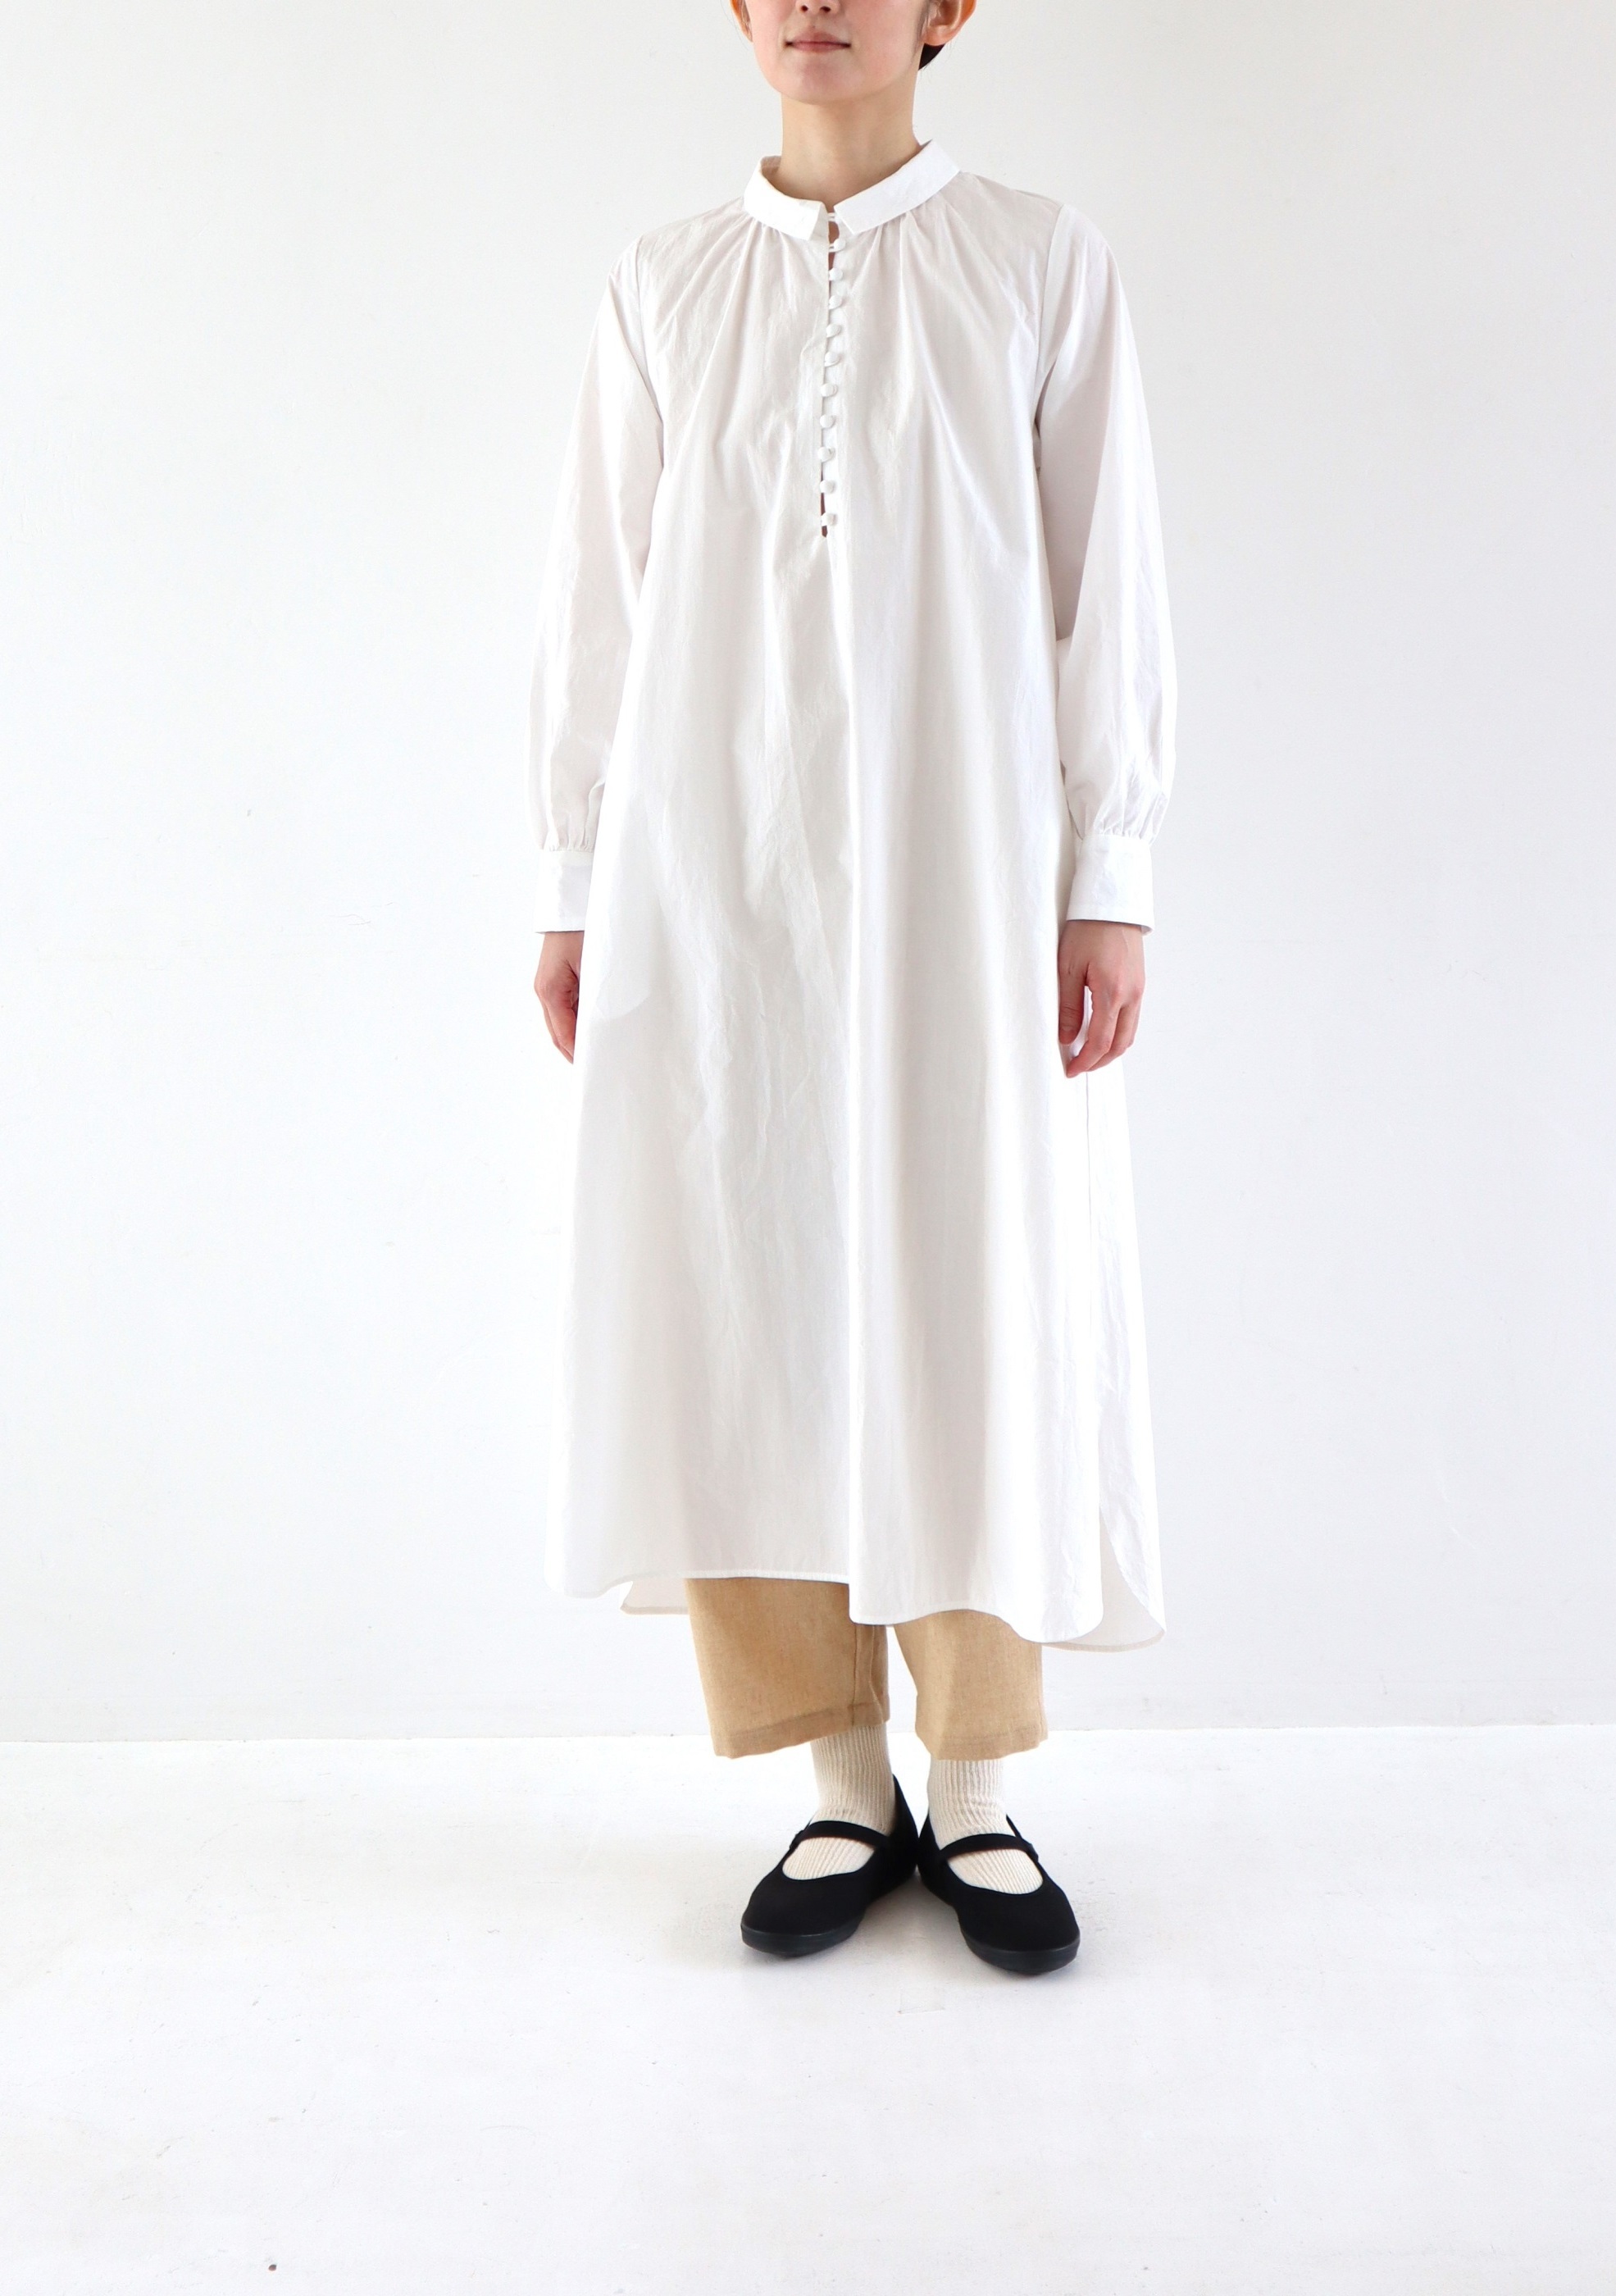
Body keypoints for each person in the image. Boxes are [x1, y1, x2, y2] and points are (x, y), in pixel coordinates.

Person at [526, 0, 1176, 1977]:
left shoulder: (1036, 260)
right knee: (744, 1283)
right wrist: (572, 876)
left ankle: (974, 1783)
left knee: (973, 1282)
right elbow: (597, 602)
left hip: (966, 871)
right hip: (713, 877)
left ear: (946, 10)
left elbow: (1107, 581)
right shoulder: (663, 284)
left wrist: (1110, 873)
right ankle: (834, 1768)